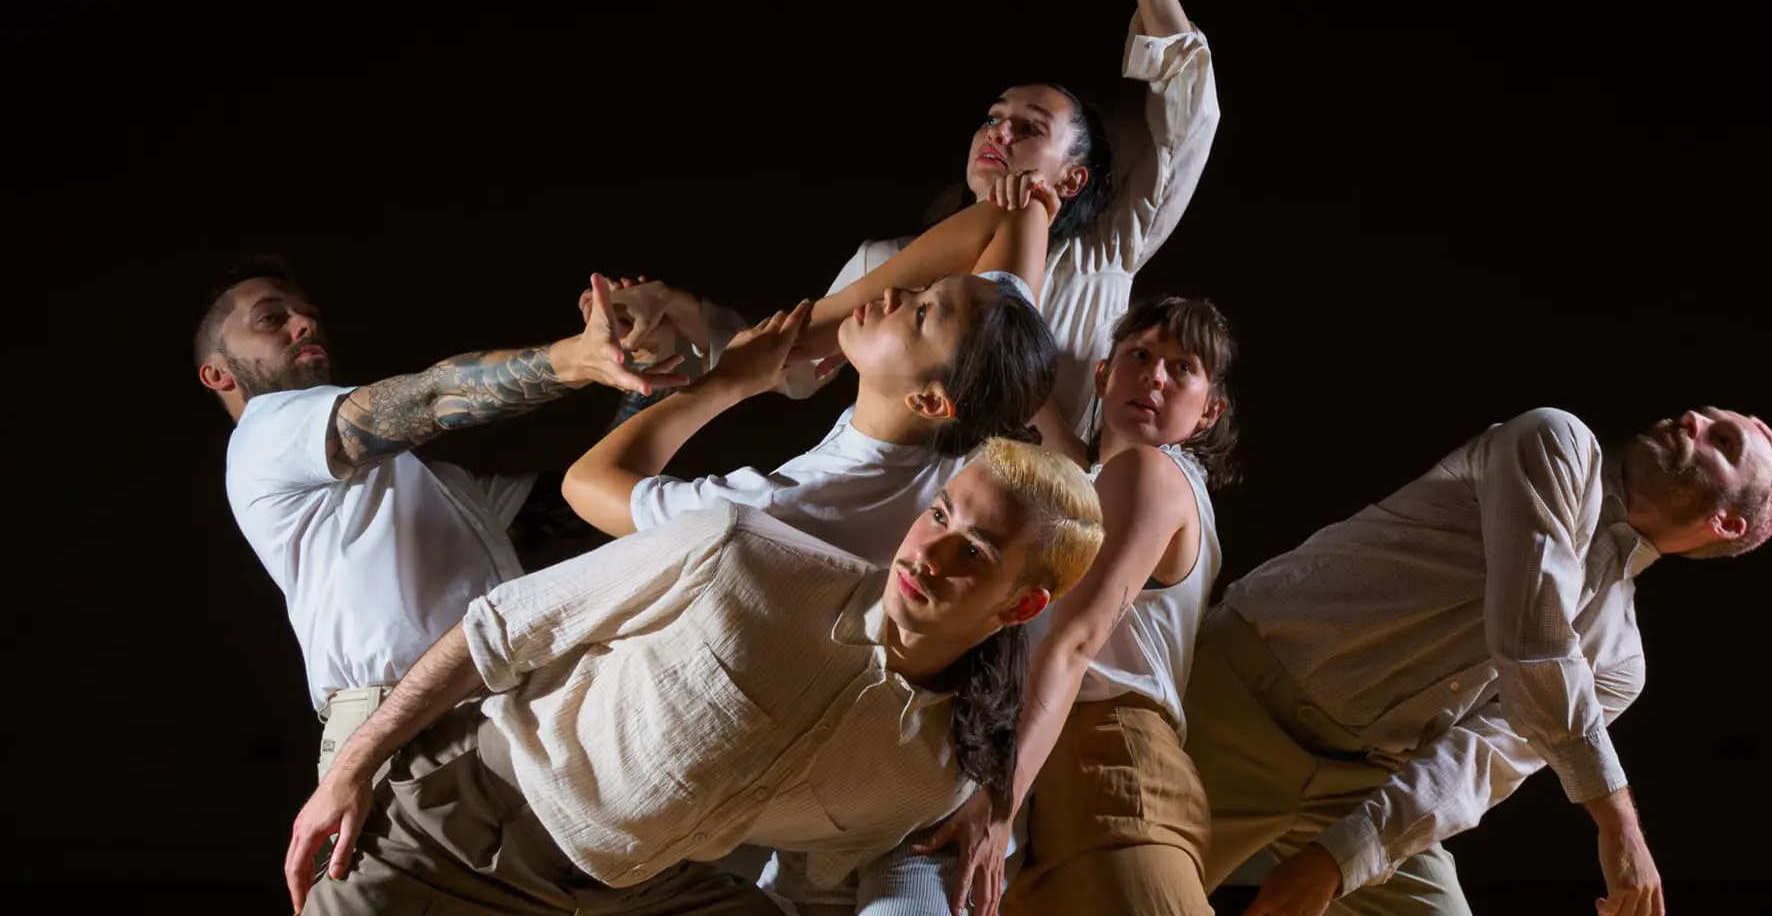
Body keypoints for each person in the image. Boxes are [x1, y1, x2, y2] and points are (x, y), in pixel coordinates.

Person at [282, 437, 1106, 916]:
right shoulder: (741, 552)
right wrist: (351, 769)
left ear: (1020, 602)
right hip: (464, 825)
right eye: (938, 516)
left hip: (638, 897)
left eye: (976, 552)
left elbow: (825, 887)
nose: (926, 553)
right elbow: (496, 631)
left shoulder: (928, 772)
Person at [1185, 406, 1772, 916]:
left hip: (1366, 775)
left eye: (1723, 441)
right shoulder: (1557, 442)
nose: (1692, 419)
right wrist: (1618, 822)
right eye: (1703, 413)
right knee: (1122, 898)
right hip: (1239, 700)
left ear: (1726, 522)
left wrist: (1333, 861)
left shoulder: (1621, 660)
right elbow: (1533, 642)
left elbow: (1479, 761)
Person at [197, 256, 682, 778]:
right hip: (400, 730)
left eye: (307, 314)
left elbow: (583, 504)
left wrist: (648, 377)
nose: (304, 323)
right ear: (218, 372)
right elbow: (430, 397)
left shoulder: (421, 484)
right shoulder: (264, 432)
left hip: (508, 716)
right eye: (270, 319)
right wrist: (580, 357)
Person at [779, 0, 1220, 442]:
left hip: (1054, 514)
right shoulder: (888, 264)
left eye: (1030, 127)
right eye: (992, 118)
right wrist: (684, 334)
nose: (1000, 131)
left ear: (1073, 177)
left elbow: (1189, 112)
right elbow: (791, 373)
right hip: (912, 515)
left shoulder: (1105, 252)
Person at [862, 296, 1241, 916]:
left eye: (1183, 369)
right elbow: (1039, 403)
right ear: (1102, 373)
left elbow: (1075, 642)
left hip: (1106, 750)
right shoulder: (1091, 487)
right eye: (1140, 355)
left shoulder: (1152, 473)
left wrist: (999, 800)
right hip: (1043, 751)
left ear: (1210, 411)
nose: (1155, 376)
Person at [563, 193, 1060, 567]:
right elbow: (1015, 216)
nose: (896, 295)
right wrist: (804, 338)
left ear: (930, 401)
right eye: (923, 289)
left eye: (922, 311)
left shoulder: (793, 505)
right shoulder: (981, 402)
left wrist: (729, 381)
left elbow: (585, 484)